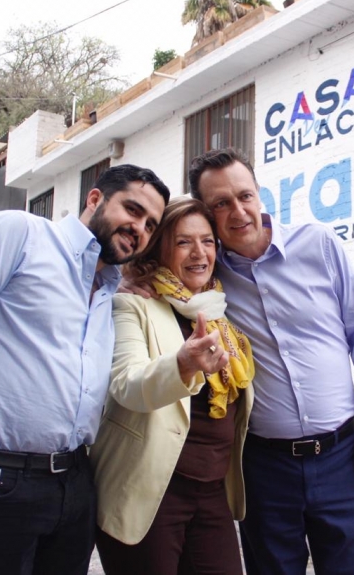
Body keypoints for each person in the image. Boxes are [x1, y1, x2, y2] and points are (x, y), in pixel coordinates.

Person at [0, 164, 169, 575]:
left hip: (74, 484)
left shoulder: (111, 290)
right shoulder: (20, 234)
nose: (139, 228)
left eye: (150, 225)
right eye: (132, 210)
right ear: (94, 199)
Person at [187, 148, 354, 575]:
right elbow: (159, 270)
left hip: (343, 459)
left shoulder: (318, 243)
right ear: (207, 214)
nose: (238, 211)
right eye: (221, 203)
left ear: (259, 193)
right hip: (264, 468)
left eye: (244, 196)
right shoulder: (208, 276)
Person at [91, 197, 254, 574]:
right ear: (158, 247)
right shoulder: (132, 304)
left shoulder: (219, 308)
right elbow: (127, 384)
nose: (199, 253)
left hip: (212, 491)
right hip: (151, 490)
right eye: (183, 242)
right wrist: (182, 365)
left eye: (207, 241)